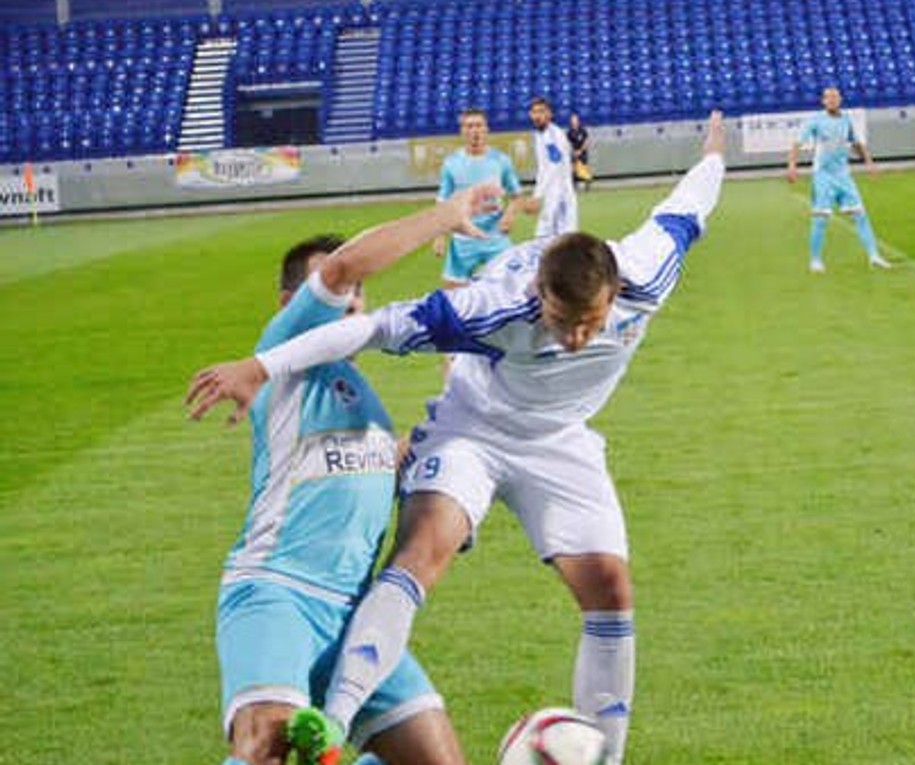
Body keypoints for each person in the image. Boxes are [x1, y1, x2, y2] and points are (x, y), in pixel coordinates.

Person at [184, 110, 730, 765]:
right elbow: (365, 306)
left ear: (615, 294)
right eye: (561, 321)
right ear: (538, 296)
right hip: (287, 587)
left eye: (589, 323)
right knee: (276, 731)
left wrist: (714, 150)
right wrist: (261, 364)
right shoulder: (317, 339)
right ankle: (332, 723)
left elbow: (691, 202)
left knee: (610, 586)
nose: (575, 338)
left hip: (554, 442)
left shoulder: (370, 408)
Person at [192, 182, 500, 765]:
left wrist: (461, 417)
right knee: (265, 745)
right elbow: (342, 267)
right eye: (340, 293)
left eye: (360, 294)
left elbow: (381, 467)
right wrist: (446, 216)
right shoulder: (284, 353)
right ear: (291, 306)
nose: (354, 302)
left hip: (356, 616)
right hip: (278, 594)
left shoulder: (365, 400)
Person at [786, 86, 892, 273]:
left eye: (836, 97)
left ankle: (874, 256)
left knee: (861, 215)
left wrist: (869, 163)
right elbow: (797, 144)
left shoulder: (846, 120)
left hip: (843, 175)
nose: (833, 100)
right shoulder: (816, 121)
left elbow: (856, 143)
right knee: (821, 218)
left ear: (840, 100)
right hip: (823, 176)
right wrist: (792, 166)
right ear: (823, 101)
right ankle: (815, 260)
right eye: (829, 97)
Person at [432, 108, 526, 287]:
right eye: (469, 126)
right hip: (463, 239)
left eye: (478, 125)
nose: (474, 131)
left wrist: (509, 215)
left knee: (512, 288)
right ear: (462, 131)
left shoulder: (501, 160)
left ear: (486, 129)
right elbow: (443, 202)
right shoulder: (451, 163)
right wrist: (439, 236)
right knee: (453, 296)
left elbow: (517, 196)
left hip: (495, 237)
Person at [527, 96, 579, 237]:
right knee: (545, 240)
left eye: (542, 111)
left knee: (559, 241)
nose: (538, 116)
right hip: (551, 195)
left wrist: (537, 195)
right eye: (535, 112)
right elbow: (543, 169)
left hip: (561, 195)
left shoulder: (553, 134)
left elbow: (553, 164)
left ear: (550, 114)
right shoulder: (540, 135)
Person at [567, 112, 594, 191]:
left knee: (584, 169)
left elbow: (586, 141)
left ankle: (587, 185)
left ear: (578, 121)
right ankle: (574, 186)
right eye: (572, 120)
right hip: (573, 153)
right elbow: (568, 143)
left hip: (582, 152)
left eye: (575, 119)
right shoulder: (569, 132)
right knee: (573, 169)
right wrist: (573, 151)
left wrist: (580, 151)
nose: (574, 121)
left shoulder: (583, 131)